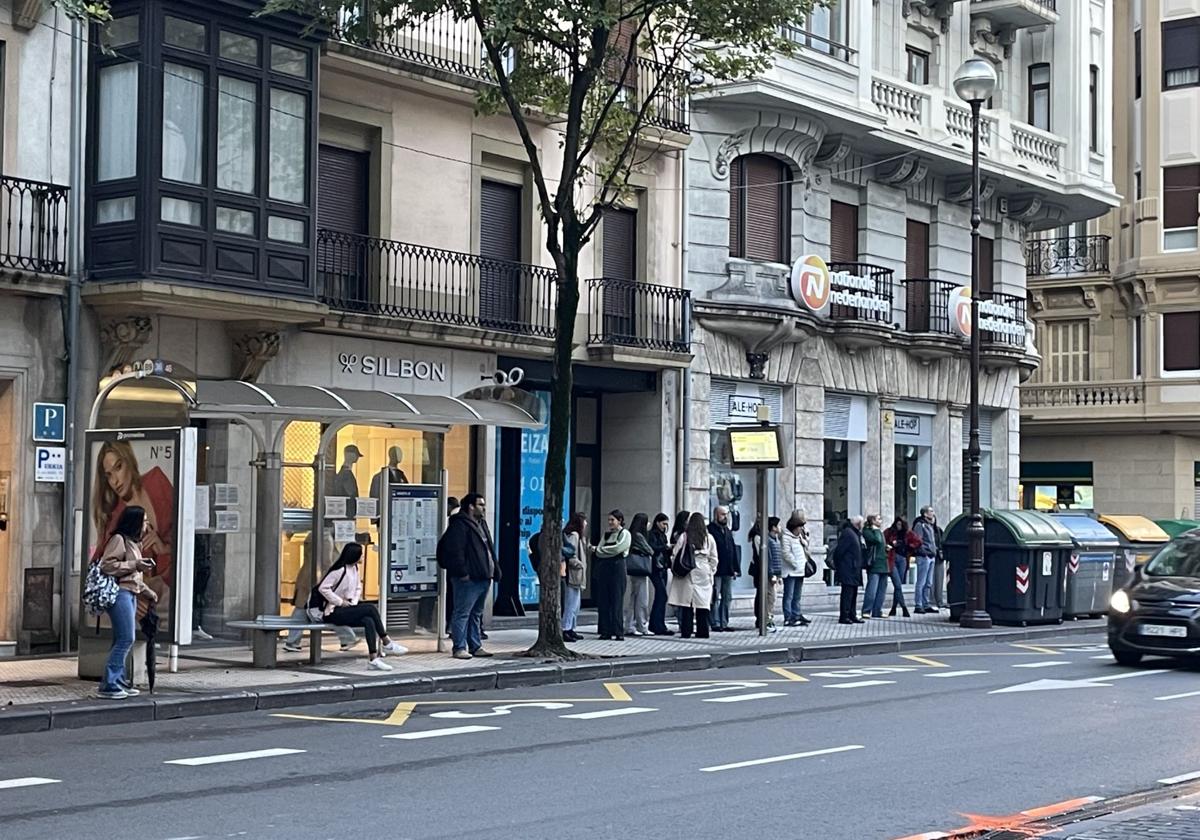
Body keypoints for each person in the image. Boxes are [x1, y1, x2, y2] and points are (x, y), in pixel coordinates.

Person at [92, 440, 174, 610]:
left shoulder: (157, 482)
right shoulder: (115, 520)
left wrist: (165, 548)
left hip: (176, 592)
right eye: (108, 475)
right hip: (144, 603)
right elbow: (102, 569)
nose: (115, 480)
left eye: (118, 467)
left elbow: (186, 537)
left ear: (129, 461)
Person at [95, 506, 158, 699]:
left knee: (121, 638)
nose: (147, 525)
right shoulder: (119, 539)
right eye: (144, 521)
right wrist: (135, 564)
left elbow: (134, 578)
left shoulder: (134, 543)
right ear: (135, 522)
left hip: (130, 592)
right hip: (119, 593)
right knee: (126, 638)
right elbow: (107, 565)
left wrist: (148, 592)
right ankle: (109, 684)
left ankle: (118, 680)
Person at [318, 543, 407, 670]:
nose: (363, 557)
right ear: (354, 555)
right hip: (333, 612)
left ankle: (373, 659)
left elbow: (358, 587)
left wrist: (353, 602)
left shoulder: (354, 569)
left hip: (347, 608)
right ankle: (386, 641)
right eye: (361, 554)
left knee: (368, 620)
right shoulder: (339, 570)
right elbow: (323, 588)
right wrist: (340, 602)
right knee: (370, 608)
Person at [436, 493, 500, 659]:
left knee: (476, 613)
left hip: (483, 575)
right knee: (462, 612)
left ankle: (475, 645)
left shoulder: (481, 524)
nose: (484, 508)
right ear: (471, 506)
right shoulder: (460, 525)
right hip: (469, 577)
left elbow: (489, 549)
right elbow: (455, 551)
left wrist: (495, 569)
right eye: (480, 504)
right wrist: (463, 573)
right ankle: (459, 647)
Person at [284, 539, 359, 653]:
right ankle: (348, 638)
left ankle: (292, 641)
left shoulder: (322, 536)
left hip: (312, 580)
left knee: (303, 609)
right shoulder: (324, 537)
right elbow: (325, 562)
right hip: (317, 581)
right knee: (325, 613)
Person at [668, 512, 718, 638]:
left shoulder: (684, 536)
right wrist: (711, 570)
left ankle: (686, 631)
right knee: (703, 604)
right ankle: (703, 631)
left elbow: (675, 553)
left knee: (687, 604)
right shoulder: (709, 538)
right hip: (704, 571)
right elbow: (714, 558)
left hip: (688, 569)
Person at [592, 510, 631, 640]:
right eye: (609, 520)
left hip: (618, 568)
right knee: (604, 600)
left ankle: (618, 632)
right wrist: (601, 551)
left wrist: (600, 550)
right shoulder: (607, 534)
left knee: (616, 600)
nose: (610, 522)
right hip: (605, 568)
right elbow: (599, 552)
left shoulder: (624, 533)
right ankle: (605, 631)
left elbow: (618, 549)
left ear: (619, 520)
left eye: (612, 520)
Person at [707, 506, 740, 632]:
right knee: (715, 596)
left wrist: (736, 568)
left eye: (726, 514)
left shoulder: (727, 530)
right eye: (722, 514)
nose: (725, 517)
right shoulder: (710, 530)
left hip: (728, 569)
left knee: (727, 597)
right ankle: (714, 622)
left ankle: (724, 622)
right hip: (717, 569)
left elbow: (732, 549)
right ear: (716, 515)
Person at [832, 516, 866, 625]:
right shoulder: (848, 533)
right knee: (847, 593)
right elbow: (839, 551)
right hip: (848, 568)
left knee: (853, 592)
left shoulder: (855, 533)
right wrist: (841, 566)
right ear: (858, 524)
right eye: (862, 523)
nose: (863, 525)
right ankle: (844, 616)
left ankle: (852, 614)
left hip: (854, 568)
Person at [624, 513, 653, 636]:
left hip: (633, 569)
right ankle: (642, 625)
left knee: (633, 598)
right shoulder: (639, 536)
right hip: (641, 570)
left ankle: (629, 625)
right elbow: (650, 550)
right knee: (642, 599)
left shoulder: (631, 534)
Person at [884, 516, 918, 618]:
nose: (899, 526)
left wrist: (909, 547)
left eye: (900, 524)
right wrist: (890, 545)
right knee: (897, 585)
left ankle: (894, 608)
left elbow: (918, 541)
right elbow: (883, 542)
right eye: (897, 524)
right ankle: (904, 607)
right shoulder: (889, 532)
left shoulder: (907, 533)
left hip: (903, 559)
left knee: (898, 586)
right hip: (892, 559)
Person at [562, 513, 589, 642]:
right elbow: (570, 553)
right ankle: (566, 629)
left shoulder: (575, 535)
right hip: (573, 573)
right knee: (571, 603)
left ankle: (571, 628)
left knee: (575, 603)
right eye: (584, 521)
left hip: (575, 573)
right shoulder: (574, 535)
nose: (586, 524)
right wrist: (579, 564)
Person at [781, 514, 811, 627]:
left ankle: (796, 614)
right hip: (791, 571)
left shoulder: (799, 537)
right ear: (794, 527)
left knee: (797, 595)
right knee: (789, 594)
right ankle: (788, 617)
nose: (801, 529)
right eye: (800, 527)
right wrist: (795, 564)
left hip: (800, 571)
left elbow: (806, 548)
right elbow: (786, 554)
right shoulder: (786, 537)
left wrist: (805, 537)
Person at [647, 513, 674, 635]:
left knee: (661, 596)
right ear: (657, 522)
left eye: (666, 524)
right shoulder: (652, 534)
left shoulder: (663, 535)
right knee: (662, 595)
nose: (665, 526)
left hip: (663, 567)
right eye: (663, 523)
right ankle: (657, 624)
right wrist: (665, 547)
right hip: (655, 568)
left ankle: (657, 624)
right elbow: (653, 548)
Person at [861, 514, 889, 619]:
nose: (881, 521)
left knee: (882, 589)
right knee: (872, 589)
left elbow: (881, 544)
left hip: (883, 562)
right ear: (872, 521)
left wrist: (886, 548)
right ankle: (866, 610)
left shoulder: (879, 531)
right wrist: (876, 530)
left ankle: (877, 610)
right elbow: (877, 540)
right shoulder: (868, 531)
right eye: (878, 519)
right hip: (874, 563)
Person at [913, 506, 939, 614]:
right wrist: (924, 552)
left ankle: (926, 603)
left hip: (931, 555)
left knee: (928, 582)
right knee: (921, 581)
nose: (933, 513)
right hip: (924, 556)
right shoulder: (921, 525)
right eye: (931, 511)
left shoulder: (930, 525)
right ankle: (918, 604)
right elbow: (917, 540)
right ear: (925, 514)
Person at [764, 516, 784, 631]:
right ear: (773, 527)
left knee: (773, 598)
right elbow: (769, 559)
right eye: (778, 525)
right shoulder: (769, 541)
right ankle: (767, 621)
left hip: (776, 573)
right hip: (771, 574)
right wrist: (772, 574)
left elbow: (778, 559)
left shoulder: (776, 539)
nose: (780, 527)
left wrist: (779, 575)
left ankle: (770, 619)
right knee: (770, 598)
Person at [932, 512, 947, 610]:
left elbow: (942, 541)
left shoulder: (938, 530)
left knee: (939, 580)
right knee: (930, 581)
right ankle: (932, 601)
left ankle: (939, 600)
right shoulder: (924, 528)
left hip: (938, 558)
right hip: (930, 556)